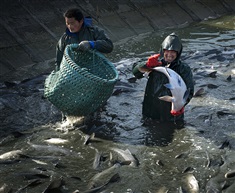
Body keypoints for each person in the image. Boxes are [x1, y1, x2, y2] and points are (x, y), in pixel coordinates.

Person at [132, 33, 194, 123]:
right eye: (167, 51)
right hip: (151, 111)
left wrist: (181, 105)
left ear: (178, 53)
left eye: (173, 52)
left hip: (171, 114)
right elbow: (136, 73)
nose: (169, 54)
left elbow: (189, 91)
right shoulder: (154, 63)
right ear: (162, 51)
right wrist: (147, 65)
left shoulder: (184, 68)